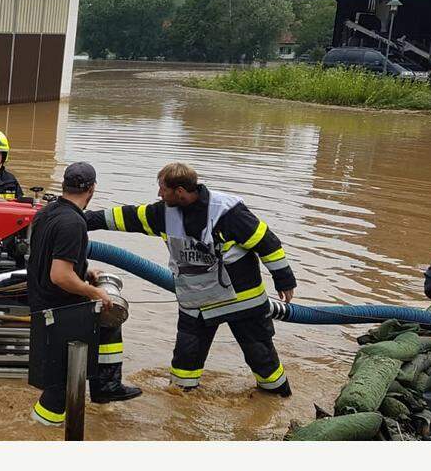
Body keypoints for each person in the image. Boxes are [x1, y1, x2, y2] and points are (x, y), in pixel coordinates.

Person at [86, 162, 296, 397]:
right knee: (185, 365)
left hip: (241, 300)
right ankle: (182, 406)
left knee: (261, 356)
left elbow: (267, 243)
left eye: (162, 189)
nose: (159, 194)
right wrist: (77, 219)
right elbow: (124, 217)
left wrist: (284, 281)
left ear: (180, 192)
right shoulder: (163, 213)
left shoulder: (228, 212)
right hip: (197, 303)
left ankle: (278, 397)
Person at [27, 162, 142, 427]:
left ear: (65, 185)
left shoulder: (48, 212)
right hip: (61, 309)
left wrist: (85, 271)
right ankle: (41, 429)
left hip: (43, 303)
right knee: (61, 388)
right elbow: (59, 275)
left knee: (106, 329)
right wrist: (94, 292)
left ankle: (105, 387)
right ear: (92, 189)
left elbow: (46, 259)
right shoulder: (73, 223)